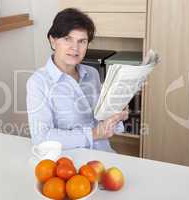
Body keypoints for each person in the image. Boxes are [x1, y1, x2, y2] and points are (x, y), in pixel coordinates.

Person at [26, 8, 128, 152]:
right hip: (69, 163)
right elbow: (41, 137)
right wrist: (93, 134)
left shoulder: (92, 74)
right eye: (68, 39)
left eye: (82, 41)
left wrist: (116, 113)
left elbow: (100, 122)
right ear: (53, 41)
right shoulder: (38, 82)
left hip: (104, 155)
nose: (75, 48)